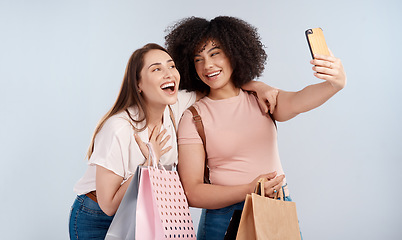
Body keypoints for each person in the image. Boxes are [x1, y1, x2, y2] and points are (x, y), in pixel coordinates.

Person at [69, 43, 278, 240]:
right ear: (138, 83)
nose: (169, 73)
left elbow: (218, 84)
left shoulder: (176, 106)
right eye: (156, 69)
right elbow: (109, 205)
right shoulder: (119, 128)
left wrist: (258, 86)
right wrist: (148, 164)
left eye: (171, 66)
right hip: (97, 217)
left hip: (142, 210)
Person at [165, 16, 346, 240]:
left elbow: (301, 99)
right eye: (198, 59)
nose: (207, 65)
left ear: (233, 52)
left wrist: (335, 84)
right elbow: (192, 192)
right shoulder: (194, 117)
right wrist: (249, 189)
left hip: (276, 207)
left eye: (215, 53)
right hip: (224, 218)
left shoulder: (263, 98)